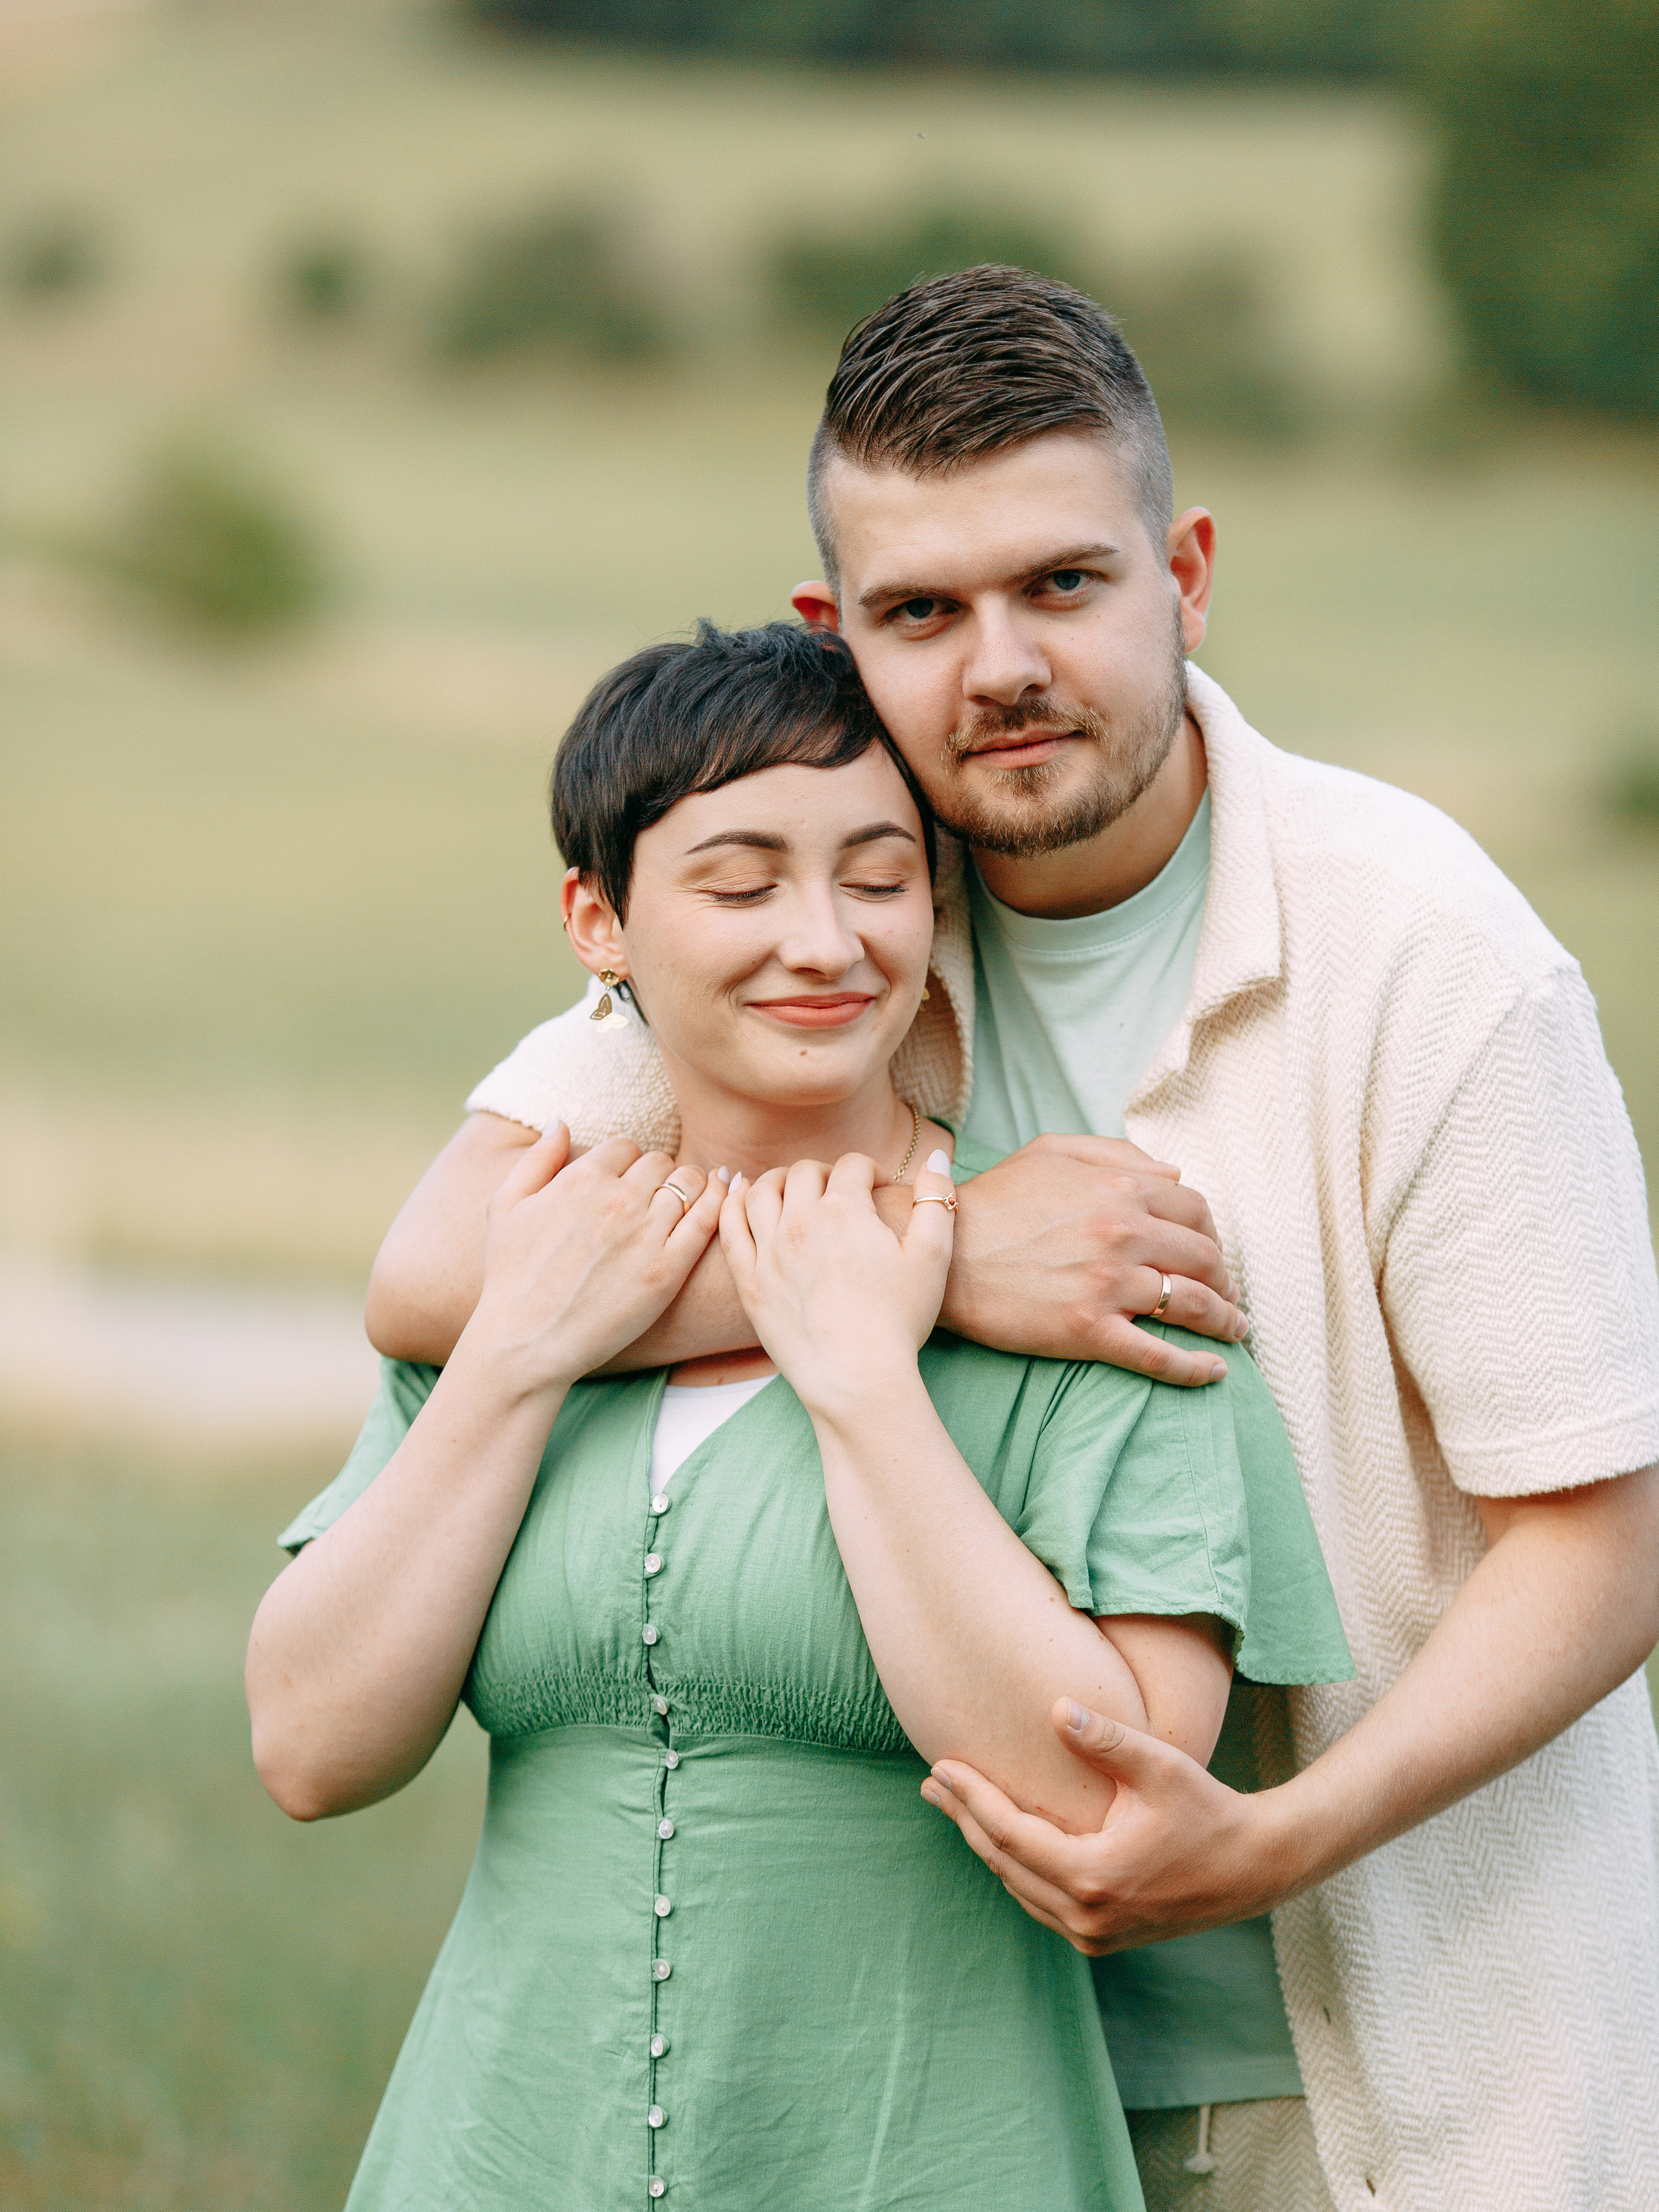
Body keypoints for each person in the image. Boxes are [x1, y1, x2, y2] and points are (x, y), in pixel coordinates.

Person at [367, 266, 1659, 2212]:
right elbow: (445, 1266)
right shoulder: (841, 904)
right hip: (940, 2093)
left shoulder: (1434, 961)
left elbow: (1607, 1534)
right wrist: (948, 1256)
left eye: (1064, 585)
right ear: (837, 630)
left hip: (1348, 2085)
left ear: (1187, 573)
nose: (1001, 669)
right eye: (921, 612)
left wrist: (1279, 1837)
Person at [246, 622, 1350, 2212]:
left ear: (940, 903)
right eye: (740, 882)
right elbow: (308, 1747)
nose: (821, 940)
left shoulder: (1096, 1290)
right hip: (490, 2160)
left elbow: (1105, 1805)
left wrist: (860, 1384)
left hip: (929, 2167)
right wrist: (508, 1364)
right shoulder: (534, 1270)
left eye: (878, 876)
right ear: (598, 921)